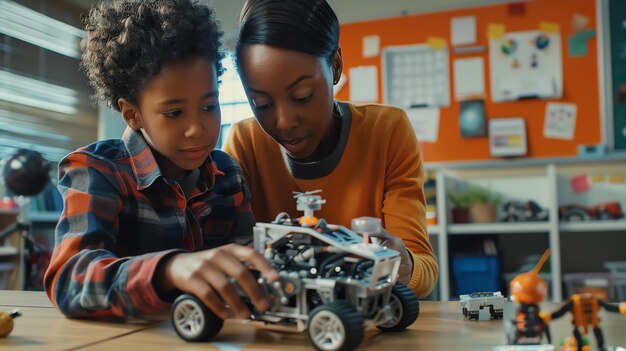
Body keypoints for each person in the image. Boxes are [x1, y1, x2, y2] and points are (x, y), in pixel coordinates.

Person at [43, 0, 278, 319]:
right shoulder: (96, 170)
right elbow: (70, 280)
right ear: (133, 114)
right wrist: (169, 268)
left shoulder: (227, 174)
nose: (197, 129)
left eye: (209, 106)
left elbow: (248, 263)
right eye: (174, 113)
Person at [223, 0, 438, 297]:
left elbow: (424, 269)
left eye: (302, 96)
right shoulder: (244, 144)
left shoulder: (387, 131)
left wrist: (401, 264)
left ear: (335, 66)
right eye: (263, 104)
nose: (284, 123)